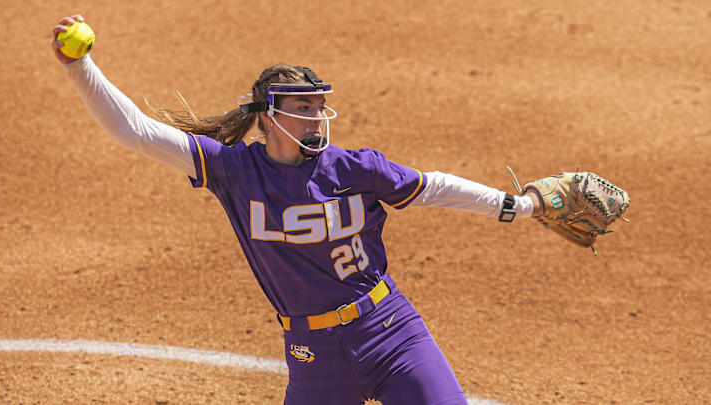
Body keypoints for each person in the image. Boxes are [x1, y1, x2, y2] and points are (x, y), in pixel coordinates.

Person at [52, 14, 542, 405]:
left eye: (318, 107)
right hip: (313, 356)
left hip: (390, 333)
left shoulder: (353, 167)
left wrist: (516, 206)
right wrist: (79, 67)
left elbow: (433, 187)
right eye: (302, 108)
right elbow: (134, 131)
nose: (315, 119)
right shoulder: (234, 170)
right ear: (269, 116)